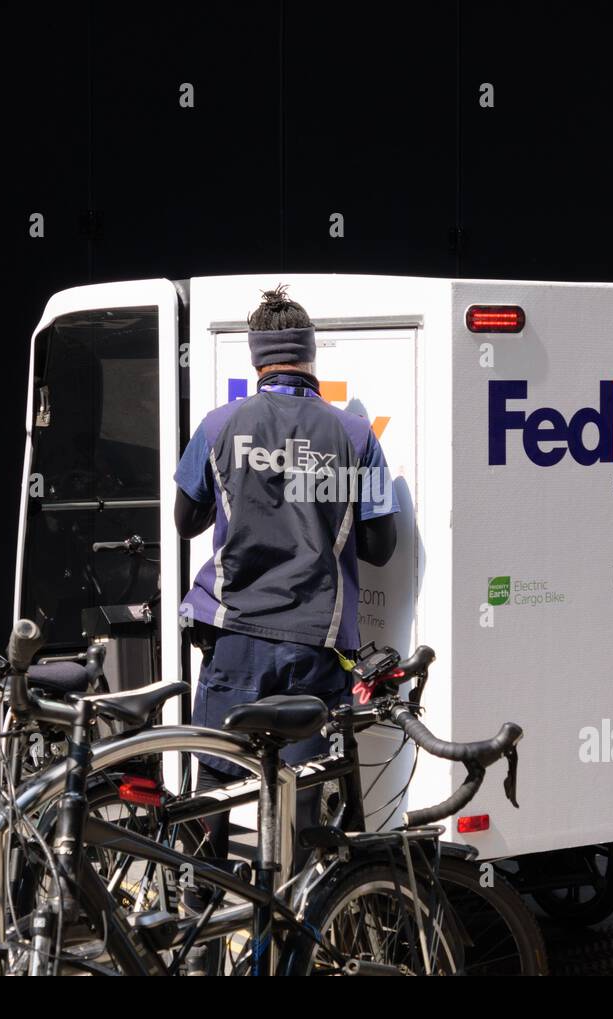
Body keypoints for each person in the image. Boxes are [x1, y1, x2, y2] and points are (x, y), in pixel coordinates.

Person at [173, 284, 398, 968]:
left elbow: (185, 520)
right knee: (303, 804)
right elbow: (381, 544)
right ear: (308, 357)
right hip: (317, 647)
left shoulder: (219, 425)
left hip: (235, 639)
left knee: (215, 784)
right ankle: (296, 944)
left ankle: (201, 933)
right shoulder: (356, 435)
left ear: (259, 358)